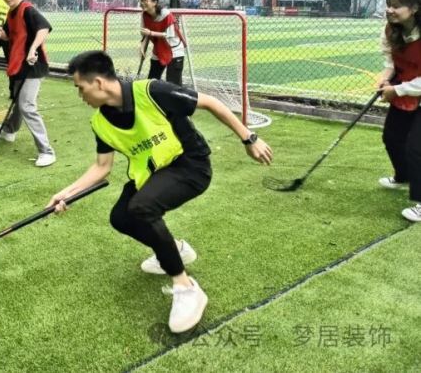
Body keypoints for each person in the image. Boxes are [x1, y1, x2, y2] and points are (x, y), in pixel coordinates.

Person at [48, 50, 272, 334]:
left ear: (99, 83)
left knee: (141, 207)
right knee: (121, 217)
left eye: (81, 87)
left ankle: (186, 287)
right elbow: (102, 167)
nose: (80, 95)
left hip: (190, 166)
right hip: (152, 174)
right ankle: (175, 251)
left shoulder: (152, 91)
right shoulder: (100, 123)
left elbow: (210, 102)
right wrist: (66, 193)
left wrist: (249, 138)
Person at [0, 0, 56, 167]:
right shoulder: (12, 12)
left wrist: (33, 48)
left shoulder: (27, 9)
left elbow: (44, 28)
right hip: (19, 64)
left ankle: (47, 151)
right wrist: (3, 35)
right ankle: (9, 130)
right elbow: (12, 36)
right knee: (18, 101)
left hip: (33, 65)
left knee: (26, 105)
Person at [375, 0, 421, 223]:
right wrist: (384, 79)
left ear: (414, 8)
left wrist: (396, 90)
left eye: (396, 6)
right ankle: (403, 176)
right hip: (405, 91)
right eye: (388, 5)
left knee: (416, 147)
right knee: (392, 137)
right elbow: (391, 64)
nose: (390, 10)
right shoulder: (390, 31)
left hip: (411, 90)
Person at [139, 0, 186, 85]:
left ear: (154, 2)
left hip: (174, 50)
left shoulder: (166, 14)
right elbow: (145, 33)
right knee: (151, 81)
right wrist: (142, 47)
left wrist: (151, 33)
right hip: (159, 50)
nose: (142, 3)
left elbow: (169, 34)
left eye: (145, 0)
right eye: (141, 1)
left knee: (173, 84)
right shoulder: (144, 15)